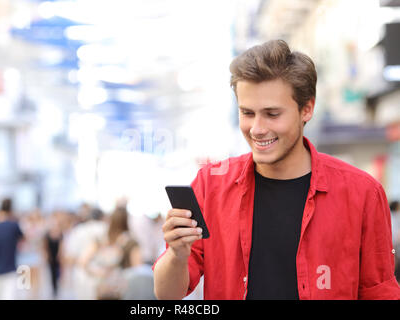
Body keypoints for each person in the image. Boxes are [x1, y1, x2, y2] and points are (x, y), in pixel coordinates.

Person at [153, 40, 400, 300]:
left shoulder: (361, 193)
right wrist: (177, 254)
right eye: (248, 113)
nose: (257, 128)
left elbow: (379, 292)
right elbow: (167, 295)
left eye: (272, 114)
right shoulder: (211, 186)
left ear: (307, 109)